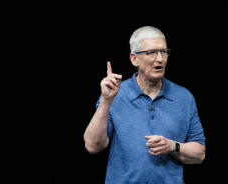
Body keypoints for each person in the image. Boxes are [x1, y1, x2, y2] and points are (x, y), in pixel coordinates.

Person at [84, 26, 206, 183]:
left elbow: (199, 154)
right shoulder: (116, 94)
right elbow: (93, 146)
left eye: (163, 51)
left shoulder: (184, 97)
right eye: (151, 53)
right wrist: (106, 101)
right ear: (134, 59)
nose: (160, 59)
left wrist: (172, 146)